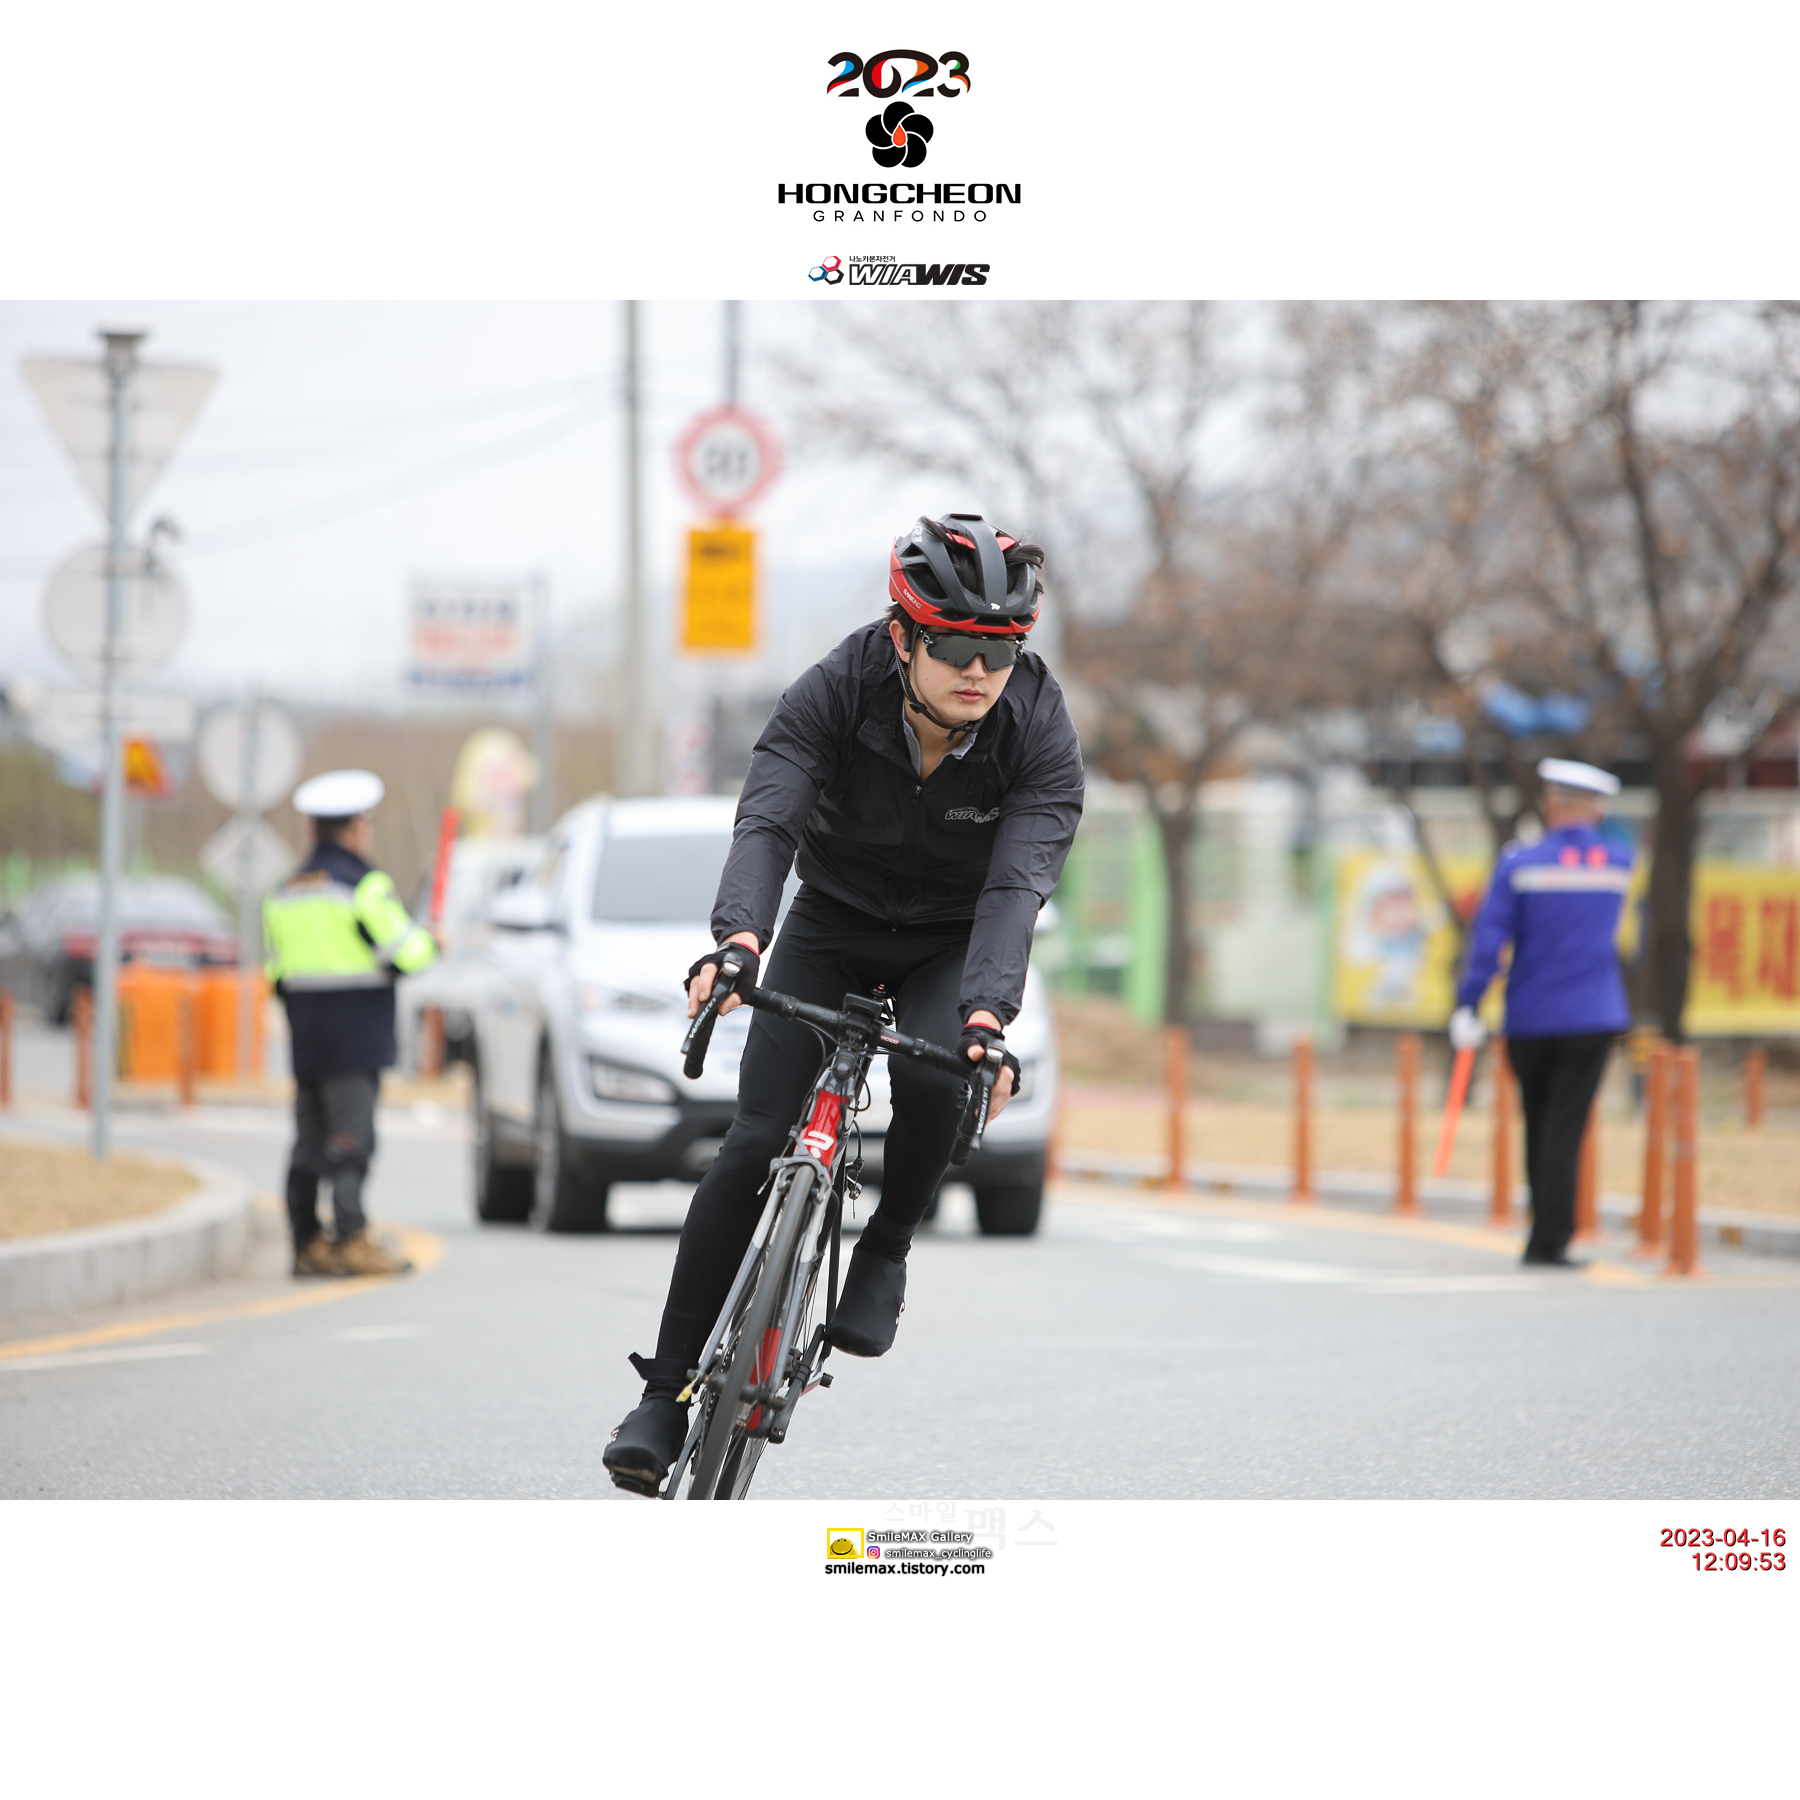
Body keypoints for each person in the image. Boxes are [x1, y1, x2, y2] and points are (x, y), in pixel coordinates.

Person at [603, 513, 1085, 1494]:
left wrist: (988, 1017)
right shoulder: (833, 688)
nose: (978, 672)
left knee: (937, 1073)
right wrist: (739, 939)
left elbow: (1016, 888)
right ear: (902, 637)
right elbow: (769, 818)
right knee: (752, 1141)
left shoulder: (1038, 729)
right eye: (954, 647)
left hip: (950, 940)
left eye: (1000, 652)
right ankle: (662, 1394)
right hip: (831, 921)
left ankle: (887, 1249)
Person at [1450, 757, 1634, 1266]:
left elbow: (1490, 941)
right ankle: (1551, 1237)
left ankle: (1543, 1232)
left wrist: (1469, 1003)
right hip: (1592, 1016)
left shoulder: (1520, 863)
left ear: (1551, 805)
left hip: (1531, 1017)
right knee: (1566, 1126)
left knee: (1537, 1121)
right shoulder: (1618, 862)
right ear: (1597, 810)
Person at [264, 769, 438, 1278]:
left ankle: (306, 1242)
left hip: (307, 1037)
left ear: (311, 829)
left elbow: (276, 974)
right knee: (350, 1142)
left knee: (308, 1144)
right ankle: (352, 1239)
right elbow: (407, 952)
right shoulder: (364, 886)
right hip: (355, 1036)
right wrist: (434, 940)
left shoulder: (284, 892)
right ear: (359, 828)